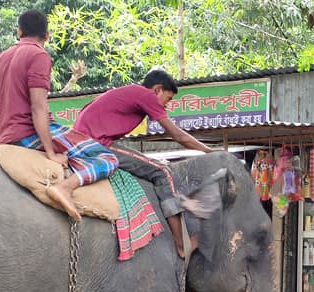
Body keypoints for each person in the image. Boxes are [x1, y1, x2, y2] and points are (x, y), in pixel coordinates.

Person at [0, 10, 117, 221]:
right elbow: (38, 107)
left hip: (10, 136)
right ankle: (65, 188)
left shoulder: (0, 59)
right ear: (46, 36)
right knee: (108, 157)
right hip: (31, 133)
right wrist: (51, 153)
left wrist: (0, 137)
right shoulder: (39, 55)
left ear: (19, 31)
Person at [74, 70, 213, 257]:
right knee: (163, 172)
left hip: (85, 140)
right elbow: (177, 135)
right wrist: (209, 152)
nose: (167, 105)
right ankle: (181, 244)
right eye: (168, 99)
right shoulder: (146, 95)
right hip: (96, 144)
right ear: (157, 90)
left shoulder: (131, 93)